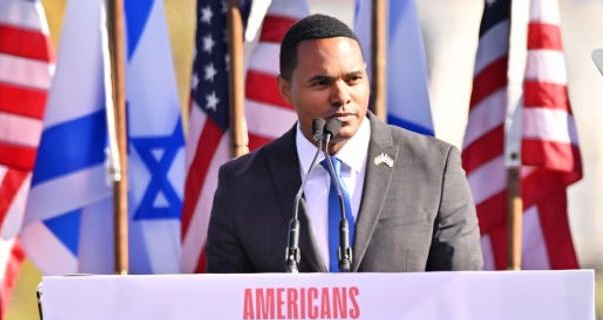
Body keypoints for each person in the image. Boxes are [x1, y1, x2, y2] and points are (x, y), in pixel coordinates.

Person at [206, 14, 481, 273]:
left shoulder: (434, 169)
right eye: (321, 83)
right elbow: (228, 300)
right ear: (286, 90)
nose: (341, 96)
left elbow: (462, 291)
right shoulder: (241, 185)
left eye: (353, 79)